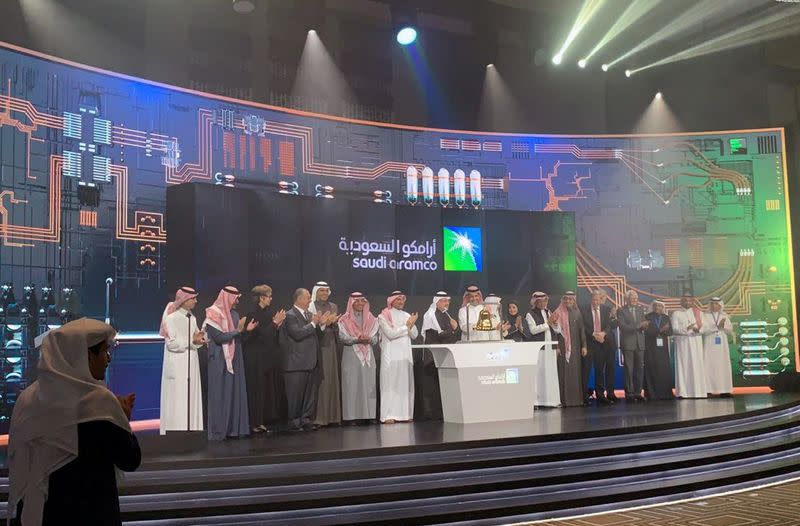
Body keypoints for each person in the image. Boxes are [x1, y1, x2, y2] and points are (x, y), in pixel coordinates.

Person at [9, 318, 140, 526]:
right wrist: (122, 418)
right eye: (105, 352)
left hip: (45, 516)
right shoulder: (99, 401)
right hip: (93, 514)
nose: (108, 360)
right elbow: (130, 458)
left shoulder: (28, 399)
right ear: (86, 356)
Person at [203, 286, 254, 441]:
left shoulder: (235, 314)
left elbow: (237, 337)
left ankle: (234, 429)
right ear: (228, 297)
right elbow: (218, 337)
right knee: (220, 394)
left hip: (235, 358)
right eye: (236, 298)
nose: (238, 301)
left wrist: (246, 331)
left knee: (234, 393)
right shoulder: (213, 313)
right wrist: (239, 331)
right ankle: (219, 431)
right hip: (219, 360)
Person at [281, 288, 332, 432]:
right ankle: (294, 421)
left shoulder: (309, 315)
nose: (310, 299)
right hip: (296, 363)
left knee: (309, 395)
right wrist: (313, 324)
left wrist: (322, 324)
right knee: (295, 394)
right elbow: (297, 334)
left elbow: (317, 336)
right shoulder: (290, 315)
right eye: (308, 297)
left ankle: (305, 419)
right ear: (299, 299)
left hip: (311, 361)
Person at [159, 286, 205, 434]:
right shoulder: (171, 318)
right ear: (184, 300)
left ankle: (192, 431)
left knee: (191, 398)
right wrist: (190, 341)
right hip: (177, 366)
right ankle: (176, 433)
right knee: (178, 400)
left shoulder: (193, 318)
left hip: (192, 364)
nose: (196, 301)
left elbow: (195, 341)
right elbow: (171, 344)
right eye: (193, 298)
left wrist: (198, 341)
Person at [241, 285, 286, 434]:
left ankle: (262, 420)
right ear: (262, 297)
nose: (271, 299)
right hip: (254, 358)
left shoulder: (267, 312)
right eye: (269, 296)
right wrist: (274, 324)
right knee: (256, 390)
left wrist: (277, 326)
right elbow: (263, 334)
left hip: (265, 358)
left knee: (264, 390)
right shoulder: (253, 313)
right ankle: (254, 423)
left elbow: (270, 335)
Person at [338, 292, 380, 424]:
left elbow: (376, 338)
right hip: (351, 354)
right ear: (352, 303)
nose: (361, 303)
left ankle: (369, 416)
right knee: (351, 385)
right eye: (358, 301)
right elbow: (342, 338)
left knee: (369, 385)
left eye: (363, 301)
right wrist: (357, 339)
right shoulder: (343, 320)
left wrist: (370, 339)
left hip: (368, 356)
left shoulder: (372, 319)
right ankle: (351, 417)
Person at [377, 291, 419, 424]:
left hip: (405, 356)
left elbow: (415, 335)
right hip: (390, 357)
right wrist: (407, 326)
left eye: (402, 299)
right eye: (398, 299)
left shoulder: (407, 315)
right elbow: (390, 334)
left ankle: (405, 414)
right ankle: (388, 415)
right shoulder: (383, 316)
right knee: (390, 385)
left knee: (404, 385)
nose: (401, 302)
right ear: (392, 301)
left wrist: (410, 326)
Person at [419, 291, 461, 421]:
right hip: (432, 357)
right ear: (436, 302)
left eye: (448, 301)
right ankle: (431, 413)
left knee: (442, 385)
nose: (447, 303)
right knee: (431, 385)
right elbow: (439, 335)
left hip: (443, 355)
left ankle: (442, 412)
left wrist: (454, 330)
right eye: (444, 301)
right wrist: (454, 329)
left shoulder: (445, 315)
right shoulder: (430, 315)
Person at [308, 281, 342, 427]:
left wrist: (333, 323)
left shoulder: (333, 306)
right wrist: (324, 324)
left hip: (331, 346)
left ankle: (332, 417)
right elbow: (311, 328)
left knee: (331, 379)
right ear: (316, 292)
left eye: (326, 291)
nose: (324, 294)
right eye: (321, 291)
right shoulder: (311, 306)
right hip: (317, 346)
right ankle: (318, 418)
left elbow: (336, 329)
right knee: (320, 381)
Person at [580, 290, 618, 404]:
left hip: (602, 344)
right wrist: (593, 334)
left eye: (598, 300)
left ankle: (600, 395)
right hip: (589, 344)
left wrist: (603, 333)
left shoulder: (606, 309)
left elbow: (608, 325)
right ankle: (583, 397)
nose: (596, 302)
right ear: (591, 299)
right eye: (594, 299)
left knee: (599, 370)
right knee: (585, 371)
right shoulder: (583, 309)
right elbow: (582, 326)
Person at [526, 292, 562, 408]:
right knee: (539, 374)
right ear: (535, 302)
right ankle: (537, 402)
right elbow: (533, 330)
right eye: (540, 301)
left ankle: (552, 401)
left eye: (545, 301)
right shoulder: (530, 314)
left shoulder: (549, 312)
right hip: (539, 349)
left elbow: (557, 330)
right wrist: (548, 323)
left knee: (551, 374)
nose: (543, 303)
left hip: (550, 348)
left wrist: (555, 324)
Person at [671, 292, 708, 399]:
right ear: (681, 302)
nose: (687, 302)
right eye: (685, 300)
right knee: (684, 366)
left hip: (696, 342)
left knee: (697, 366)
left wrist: (698, 329)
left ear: (692, 301)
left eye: (689, 300)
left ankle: (698, 392)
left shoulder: (699, 313)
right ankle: (683, 392)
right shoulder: (676, 313)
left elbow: (704, 328)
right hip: (683, 343)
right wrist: (686, 329)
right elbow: (674, 329)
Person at [555, 291, 587, 407]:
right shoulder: (558, 312)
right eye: (566, 299)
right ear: (563, 300)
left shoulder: (577, 312)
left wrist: (584, 346)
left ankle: (576, 400)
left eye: (570, 299)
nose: (568, 301)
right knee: (564, 373)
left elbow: (582, 330)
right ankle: (564, 401)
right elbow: (554, 333)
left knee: (575, 373)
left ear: (574, 301)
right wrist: (557, 347)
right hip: (562, 348)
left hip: (576, 346)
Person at [617, 290, 648, 402]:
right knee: (629, 369)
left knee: (640, 369)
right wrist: (638, 325)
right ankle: (629, 393)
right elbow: (622, 327)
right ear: (627, 299)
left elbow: (643, 325)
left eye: (636, 298)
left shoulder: (640, 310)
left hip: (640, 344)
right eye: (633, 298)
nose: (635, 300)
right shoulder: (621, 311)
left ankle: (638, 392)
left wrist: (645, 326)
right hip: (628, 344)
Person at [702, 297, 734, 397]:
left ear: (720, 305)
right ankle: (708, 389)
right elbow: (704, 330)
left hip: (722, 344)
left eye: (716, 304)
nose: (714, 306)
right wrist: (717, 327)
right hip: (709, 342)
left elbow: (729, 329)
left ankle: (725, 390)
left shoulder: (724, 316)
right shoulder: (705, 316)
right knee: (708, 365)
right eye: (712, 304)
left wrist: (723, 326)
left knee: (723, 364)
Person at [643, 300, 674, 400]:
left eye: (659, 306)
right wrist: (660, 330)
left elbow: (670, 332)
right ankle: (652, 394)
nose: (657, 308)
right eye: (655, 306)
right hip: (651, 347)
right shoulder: (647, 317)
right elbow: (647, 332)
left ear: (663, 307)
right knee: (651, 369)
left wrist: (664, 331)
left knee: (663, 370)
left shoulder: (666, 317)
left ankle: (665, 394)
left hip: (662, 348)